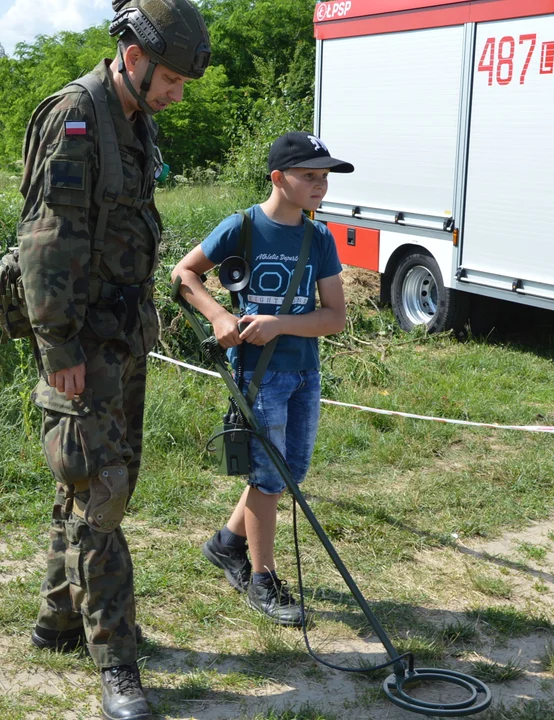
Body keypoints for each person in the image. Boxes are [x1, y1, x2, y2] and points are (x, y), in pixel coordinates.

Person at [15, 0, 210, 718]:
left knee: (86, 481)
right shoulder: (75, 116)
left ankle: (59, 617)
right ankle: (116, 660)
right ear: (134, 55)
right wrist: (58, 346)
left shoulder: (133, 119)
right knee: (105, 492)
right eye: (171, 80)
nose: (176, 93)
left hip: (122, 337)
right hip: (81, 345)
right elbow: (45, 241)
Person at [171, 131, 351, 626]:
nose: (320, 186)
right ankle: (261, 578)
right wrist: (217, 316)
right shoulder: (242, 227)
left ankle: (227, 544)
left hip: (304, 371)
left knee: (289, 470)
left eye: (324, 178)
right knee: (268, 477)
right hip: (258, 374)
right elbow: (183, 274)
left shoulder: (319, 238)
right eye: (309, 176)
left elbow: (334, 316)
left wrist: (280, 324)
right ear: (278, 178)